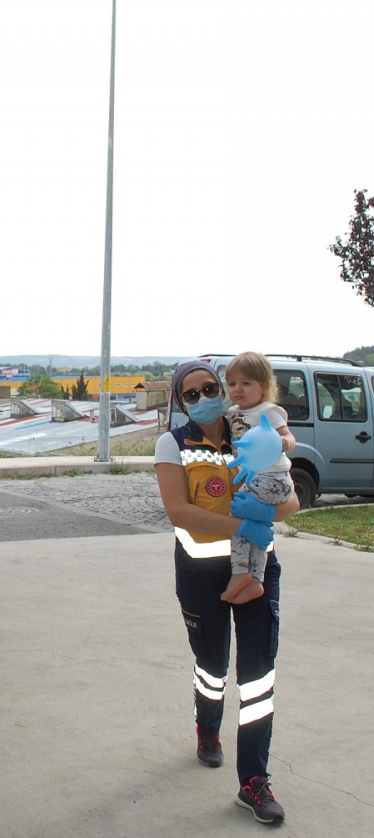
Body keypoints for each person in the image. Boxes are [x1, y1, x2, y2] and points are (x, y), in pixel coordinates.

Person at [154, 360, 298, 825]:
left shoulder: (252, 431)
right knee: (212, 666)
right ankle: (207, 729)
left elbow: (290, 500)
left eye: (209, 388)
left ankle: (253, 781)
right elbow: (179, 512)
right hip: (199, 574)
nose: (203, 398)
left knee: (257, 672)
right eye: (190, 394)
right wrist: (247, 523)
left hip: (258, 568)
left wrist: (268, 515)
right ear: (180, 401)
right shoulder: (172, 444)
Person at [222, 352, 297, 604]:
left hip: (274, 479)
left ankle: (241, 571)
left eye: (246, 383)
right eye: (232, 383)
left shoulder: (269, 411)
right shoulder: (233, 413)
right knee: (256, 527)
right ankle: (255, 579)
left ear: (264, 387)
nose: (237, 389)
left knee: (239, 515)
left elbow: (290, 438)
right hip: (256, 479)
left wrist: (281, 442)